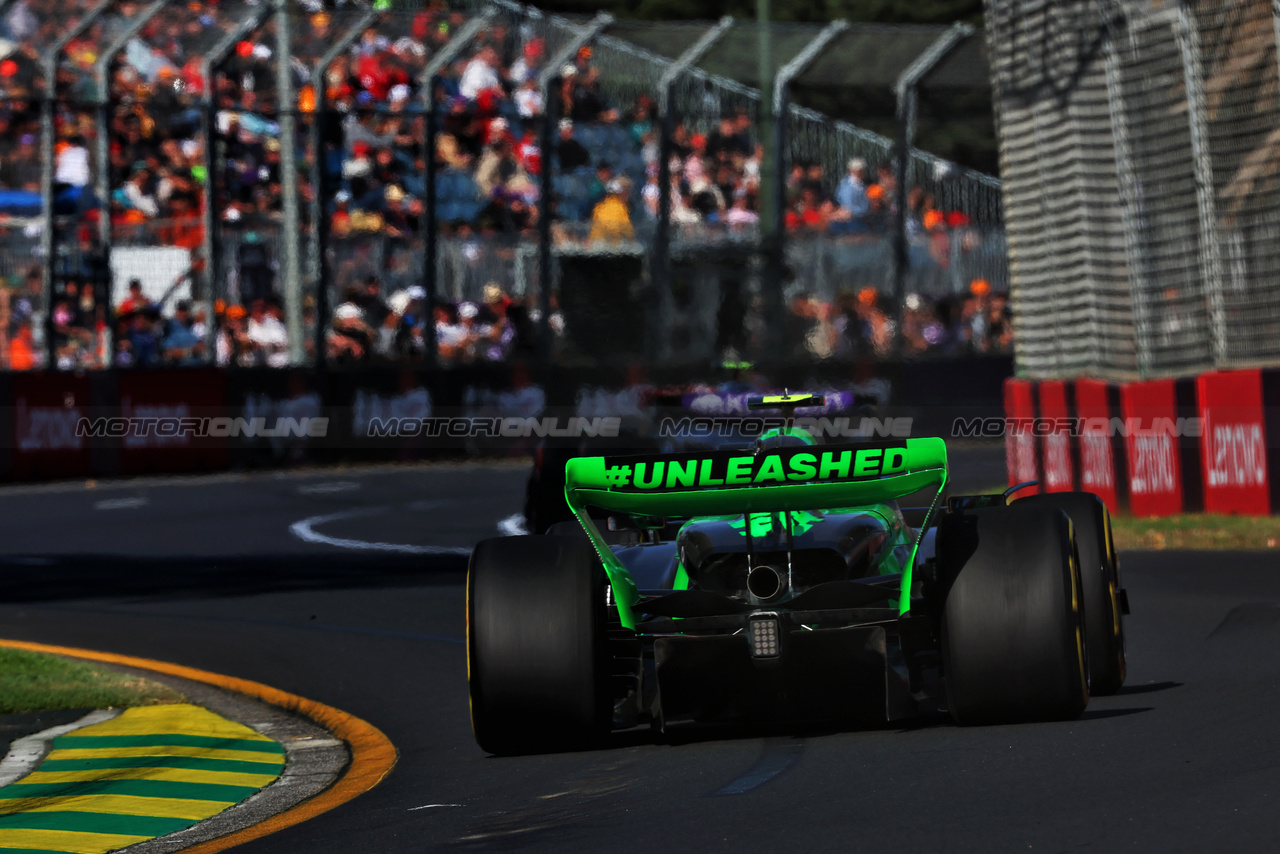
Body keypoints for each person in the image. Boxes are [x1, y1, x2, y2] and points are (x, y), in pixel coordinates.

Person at [587, 179, 634, 243]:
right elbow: (628, 231)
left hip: (597, 242)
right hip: (613, 244)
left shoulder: (599, 207)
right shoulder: (620, 208)